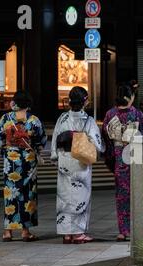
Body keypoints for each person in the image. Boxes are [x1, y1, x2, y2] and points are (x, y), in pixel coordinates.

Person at [51, 86, 105, 244]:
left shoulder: (62, 118)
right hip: (80, 161)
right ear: (85, 102)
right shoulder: (87, 120)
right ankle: (78, 234)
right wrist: (98, 149)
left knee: (65, 197)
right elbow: (97, 143)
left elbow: (55, 138)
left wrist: (55, 156)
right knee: (80, 196)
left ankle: (66, 233)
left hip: (64, 160)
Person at [0, 90, 47, 242]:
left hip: (11, 161)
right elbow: (41, 140)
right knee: (27, 193)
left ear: (15, 102)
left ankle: (7, 231)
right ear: (29, 104)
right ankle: (25, 231)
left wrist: (6, 147)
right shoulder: (33, 120)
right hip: (27, 161)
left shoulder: (6, 119)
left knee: (10, 193)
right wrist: (35, 149)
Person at [102, 81, 143, 242]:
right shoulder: (137, 114)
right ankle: (138, 229)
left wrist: (111, 155)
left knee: (122, 195)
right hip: (135, 156)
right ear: (130, 97)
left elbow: (106, 138)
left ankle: (123, 230)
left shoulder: (110, 114)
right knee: (138, 194)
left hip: (118, 156)